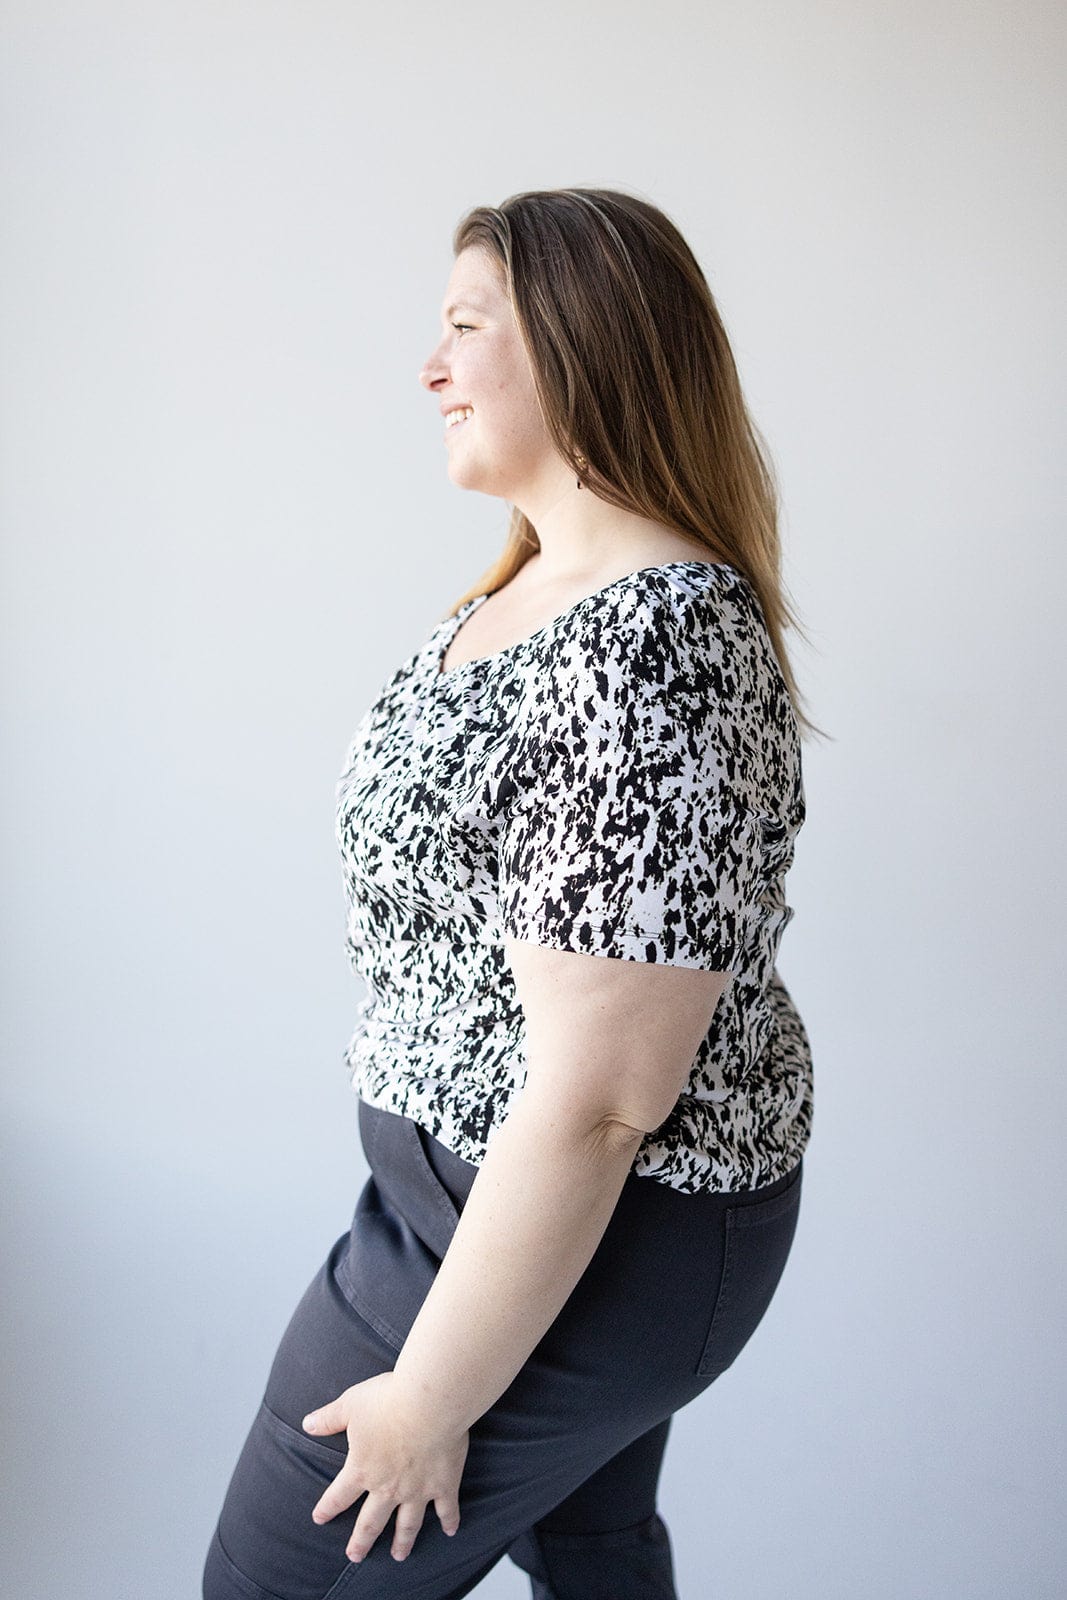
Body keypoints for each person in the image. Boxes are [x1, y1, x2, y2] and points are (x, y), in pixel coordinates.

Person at [202, 186, 822, 1600]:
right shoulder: (534, 589)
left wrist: (431, 1398)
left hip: (588, 1232)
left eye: (464, 327)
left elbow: (603, 1099)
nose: (430, 367)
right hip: (466, 1204)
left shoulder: (656, 650)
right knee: (594, 1557)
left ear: (581, 343)